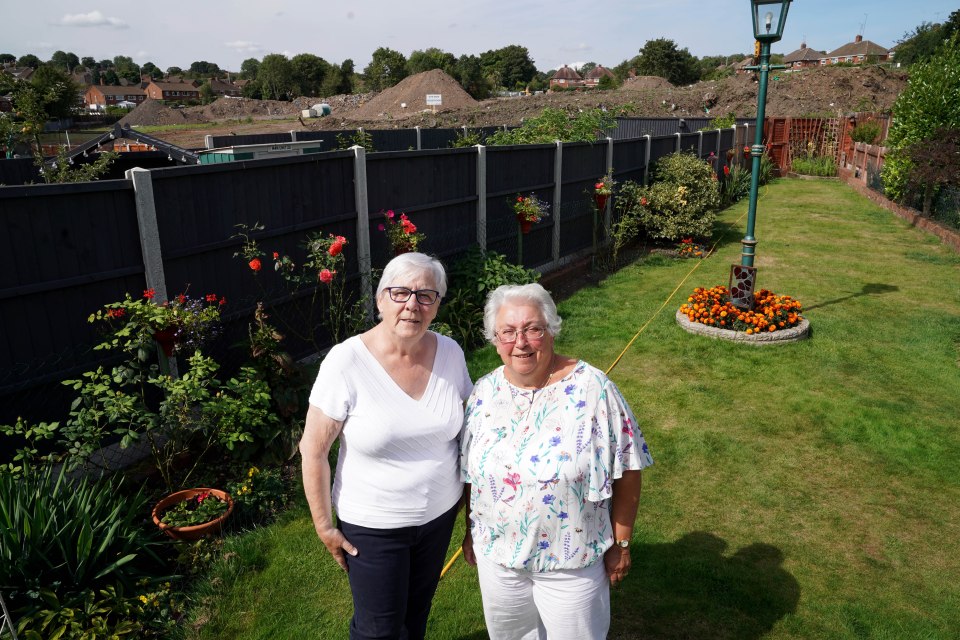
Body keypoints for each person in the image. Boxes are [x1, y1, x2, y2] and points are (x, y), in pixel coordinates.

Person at [460, 283, 654, 640]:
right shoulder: (484, 392)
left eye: (533, 329)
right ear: (494, 338)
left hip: (571, 564)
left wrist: (622, 542)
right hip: (497, 559)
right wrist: (471, 532)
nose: (520, 342)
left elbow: (628, 466)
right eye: (507, 332)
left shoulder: (594, 388)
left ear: (550, 331)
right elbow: (473, 473)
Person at [300, 252, 472, 640]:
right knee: (378, 629)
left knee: (415, 616)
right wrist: (325, 526)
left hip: (439, 516)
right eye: (400, 293)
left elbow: (468, 429)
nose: (412, 304)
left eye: (426, 295)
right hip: (374, 526)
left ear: (437, 305)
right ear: (380, 300)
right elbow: (313, 449)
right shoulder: (345, 362)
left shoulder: (451, 353)